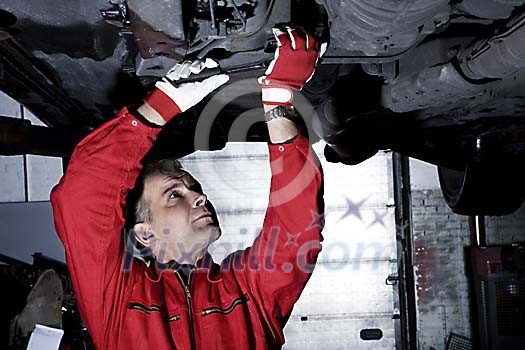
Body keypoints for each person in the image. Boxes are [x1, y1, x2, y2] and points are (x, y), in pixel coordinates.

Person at [51, 27, 326, 349]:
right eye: (175, 194)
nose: (200, 196)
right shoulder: (120, 295)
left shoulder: (246, 288)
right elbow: (81, 199)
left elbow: (293, 233)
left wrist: (278, 96)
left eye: (187, 189)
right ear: (144, 233)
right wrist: (158, 108)